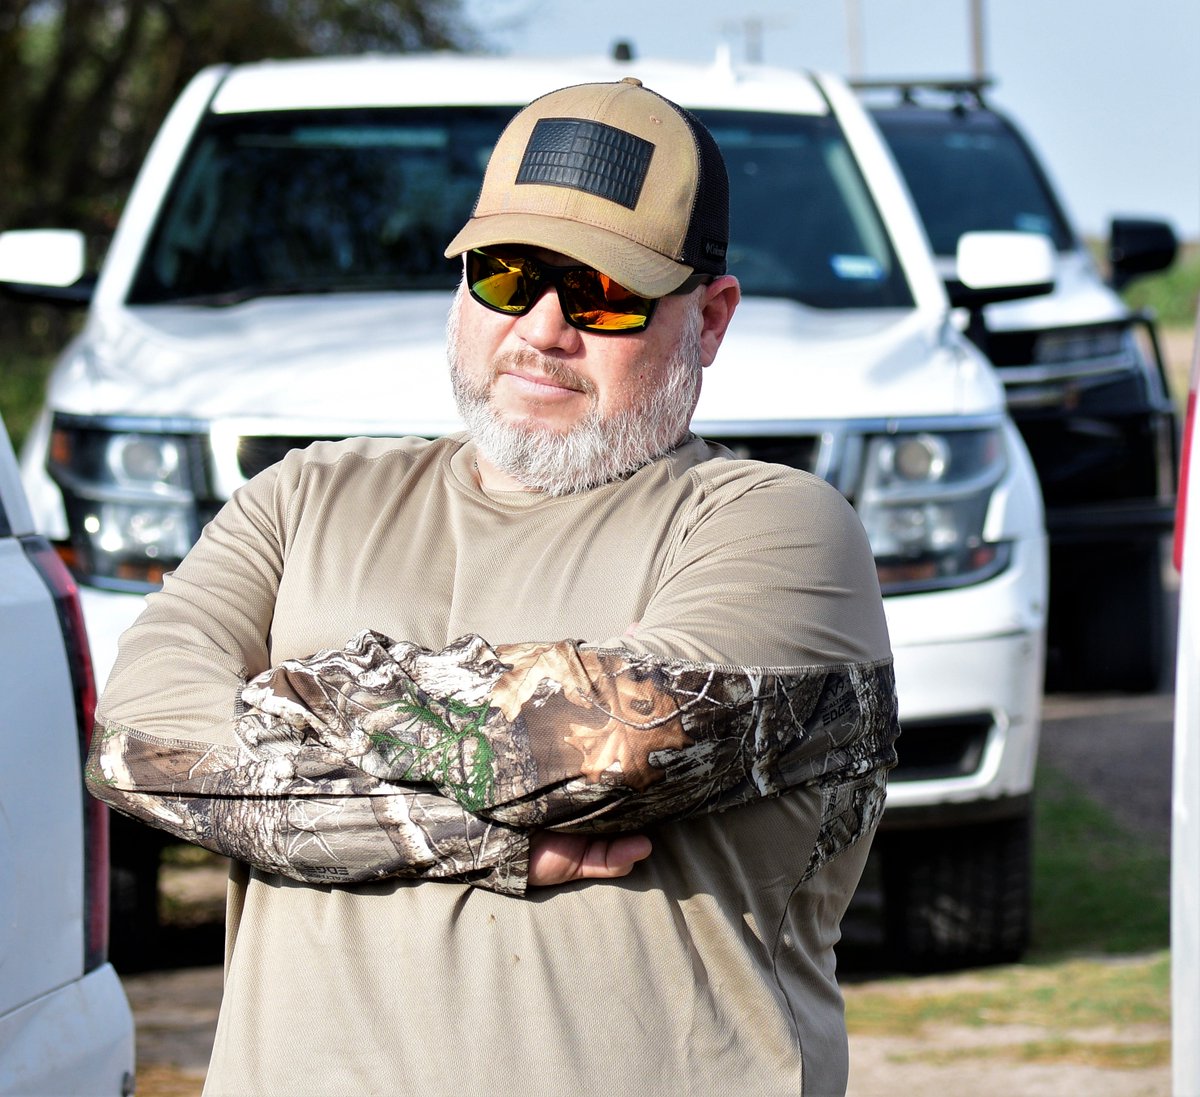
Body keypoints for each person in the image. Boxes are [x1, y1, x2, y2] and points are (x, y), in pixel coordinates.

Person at [87, 76, 899, 1096]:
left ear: (713, 316)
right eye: (506, 275)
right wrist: (466, 834)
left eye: (604, 290)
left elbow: (604, 744)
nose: (544, 328)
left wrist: (284, 704)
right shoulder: (303, 496)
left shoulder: (774, 526)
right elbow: (138, 745)